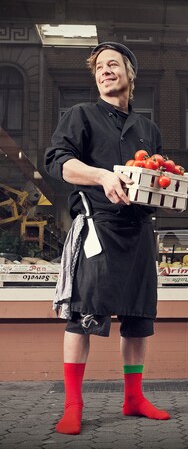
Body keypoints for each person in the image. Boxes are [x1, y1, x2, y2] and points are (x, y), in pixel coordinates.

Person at [44, 41, 170, 435]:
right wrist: (101, 175)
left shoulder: (148, 128)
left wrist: (167, 191)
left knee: (138, 318)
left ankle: (133, 398)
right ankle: (73, 405)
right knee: (83, 317)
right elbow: (56, 162)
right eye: (99, 66)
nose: (105, 71)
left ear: (131, 74)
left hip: (137, 233)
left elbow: (159, 176)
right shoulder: (80, 116)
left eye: (113, 64)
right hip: (97, 229)